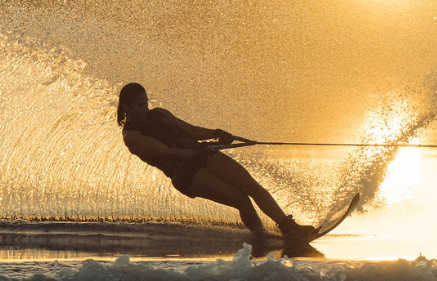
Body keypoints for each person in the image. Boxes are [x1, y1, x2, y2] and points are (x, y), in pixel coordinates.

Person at [117, 82, 311, 242]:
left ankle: (288, 227)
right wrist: (198, 150)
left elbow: (191, 130)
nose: (146, 107)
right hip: (186, 174)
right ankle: (261, 239)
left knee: (250, 185)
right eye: (141, 105)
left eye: (146, 102)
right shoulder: (131, 136)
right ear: (127, 107)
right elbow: (168, 153)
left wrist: (217, 133)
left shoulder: (160, 114)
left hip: (203, 154)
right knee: (242, 200)